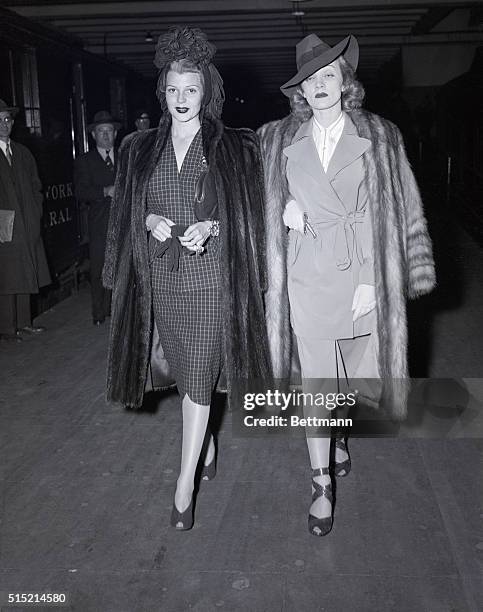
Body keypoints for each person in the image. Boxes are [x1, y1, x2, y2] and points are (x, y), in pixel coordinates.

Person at [258, 34, 436, 536]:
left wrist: (379, 281)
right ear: (300, 91)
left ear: (345, 84)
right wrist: (282, 209)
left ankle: (339, 434)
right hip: (306, 275)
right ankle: (320, 484)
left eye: (328, 77)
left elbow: (402, 210)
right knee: (316, 378)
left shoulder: (381, 136)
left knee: (354, 381)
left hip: (362, 272)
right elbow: (258, 203)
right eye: (310, 81)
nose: (319, 87)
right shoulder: (276, 140)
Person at [102, 26, 271, 530]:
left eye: (190, 89)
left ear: (207, 92)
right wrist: (150, 221)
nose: (181, 99)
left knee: (197, 375)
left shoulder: (235, 148)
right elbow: (129, 215)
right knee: (182, 371)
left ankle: (183, 485)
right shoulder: (138, 148)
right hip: (157, 282)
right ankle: (209, 442)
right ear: (163, 92)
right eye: (173, 89)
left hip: (209, 279)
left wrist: (213, 224)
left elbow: (250, 214)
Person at [0, 99, 51, 342]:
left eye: (7, 119)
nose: (4, 124)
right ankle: (8, 328)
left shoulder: (22, 152)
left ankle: (24, 322)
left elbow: (35, 186)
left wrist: (35, 211)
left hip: (26, 222)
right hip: (3, 225)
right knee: (7, 273)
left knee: (26, 269)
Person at [74, 111, 120, 325]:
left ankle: (116, 310)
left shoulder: (126, 157)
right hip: (99, 222)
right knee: (99, 266)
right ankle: (99, 313)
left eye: (109, 131)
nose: (105, 135)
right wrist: (104, 191)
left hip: (122, 221)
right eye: (101, 132)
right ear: (93, 135)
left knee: (120, 265)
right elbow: (81, 192)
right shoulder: (85, 161)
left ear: (115, 133)